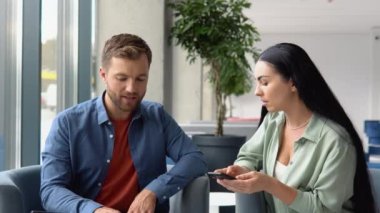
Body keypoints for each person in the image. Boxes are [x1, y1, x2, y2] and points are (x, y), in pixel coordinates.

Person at [40, 33, 207, 213]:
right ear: (103, 75)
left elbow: (194, 158)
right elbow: (51, 191)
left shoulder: (157, 116)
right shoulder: (67, 123)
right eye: (122, 78)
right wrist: (95, 211)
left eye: (140, 79)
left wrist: (153, 191)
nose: (131, 88)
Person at [215, 43, 376, 212]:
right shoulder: (273, 121)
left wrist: (269, 184)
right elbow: (249, 155)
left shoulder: (336, 141)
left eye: (264, 82)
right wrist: (242, 169)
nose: (257, 91)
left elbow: (323, 209)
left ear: (293, 83)